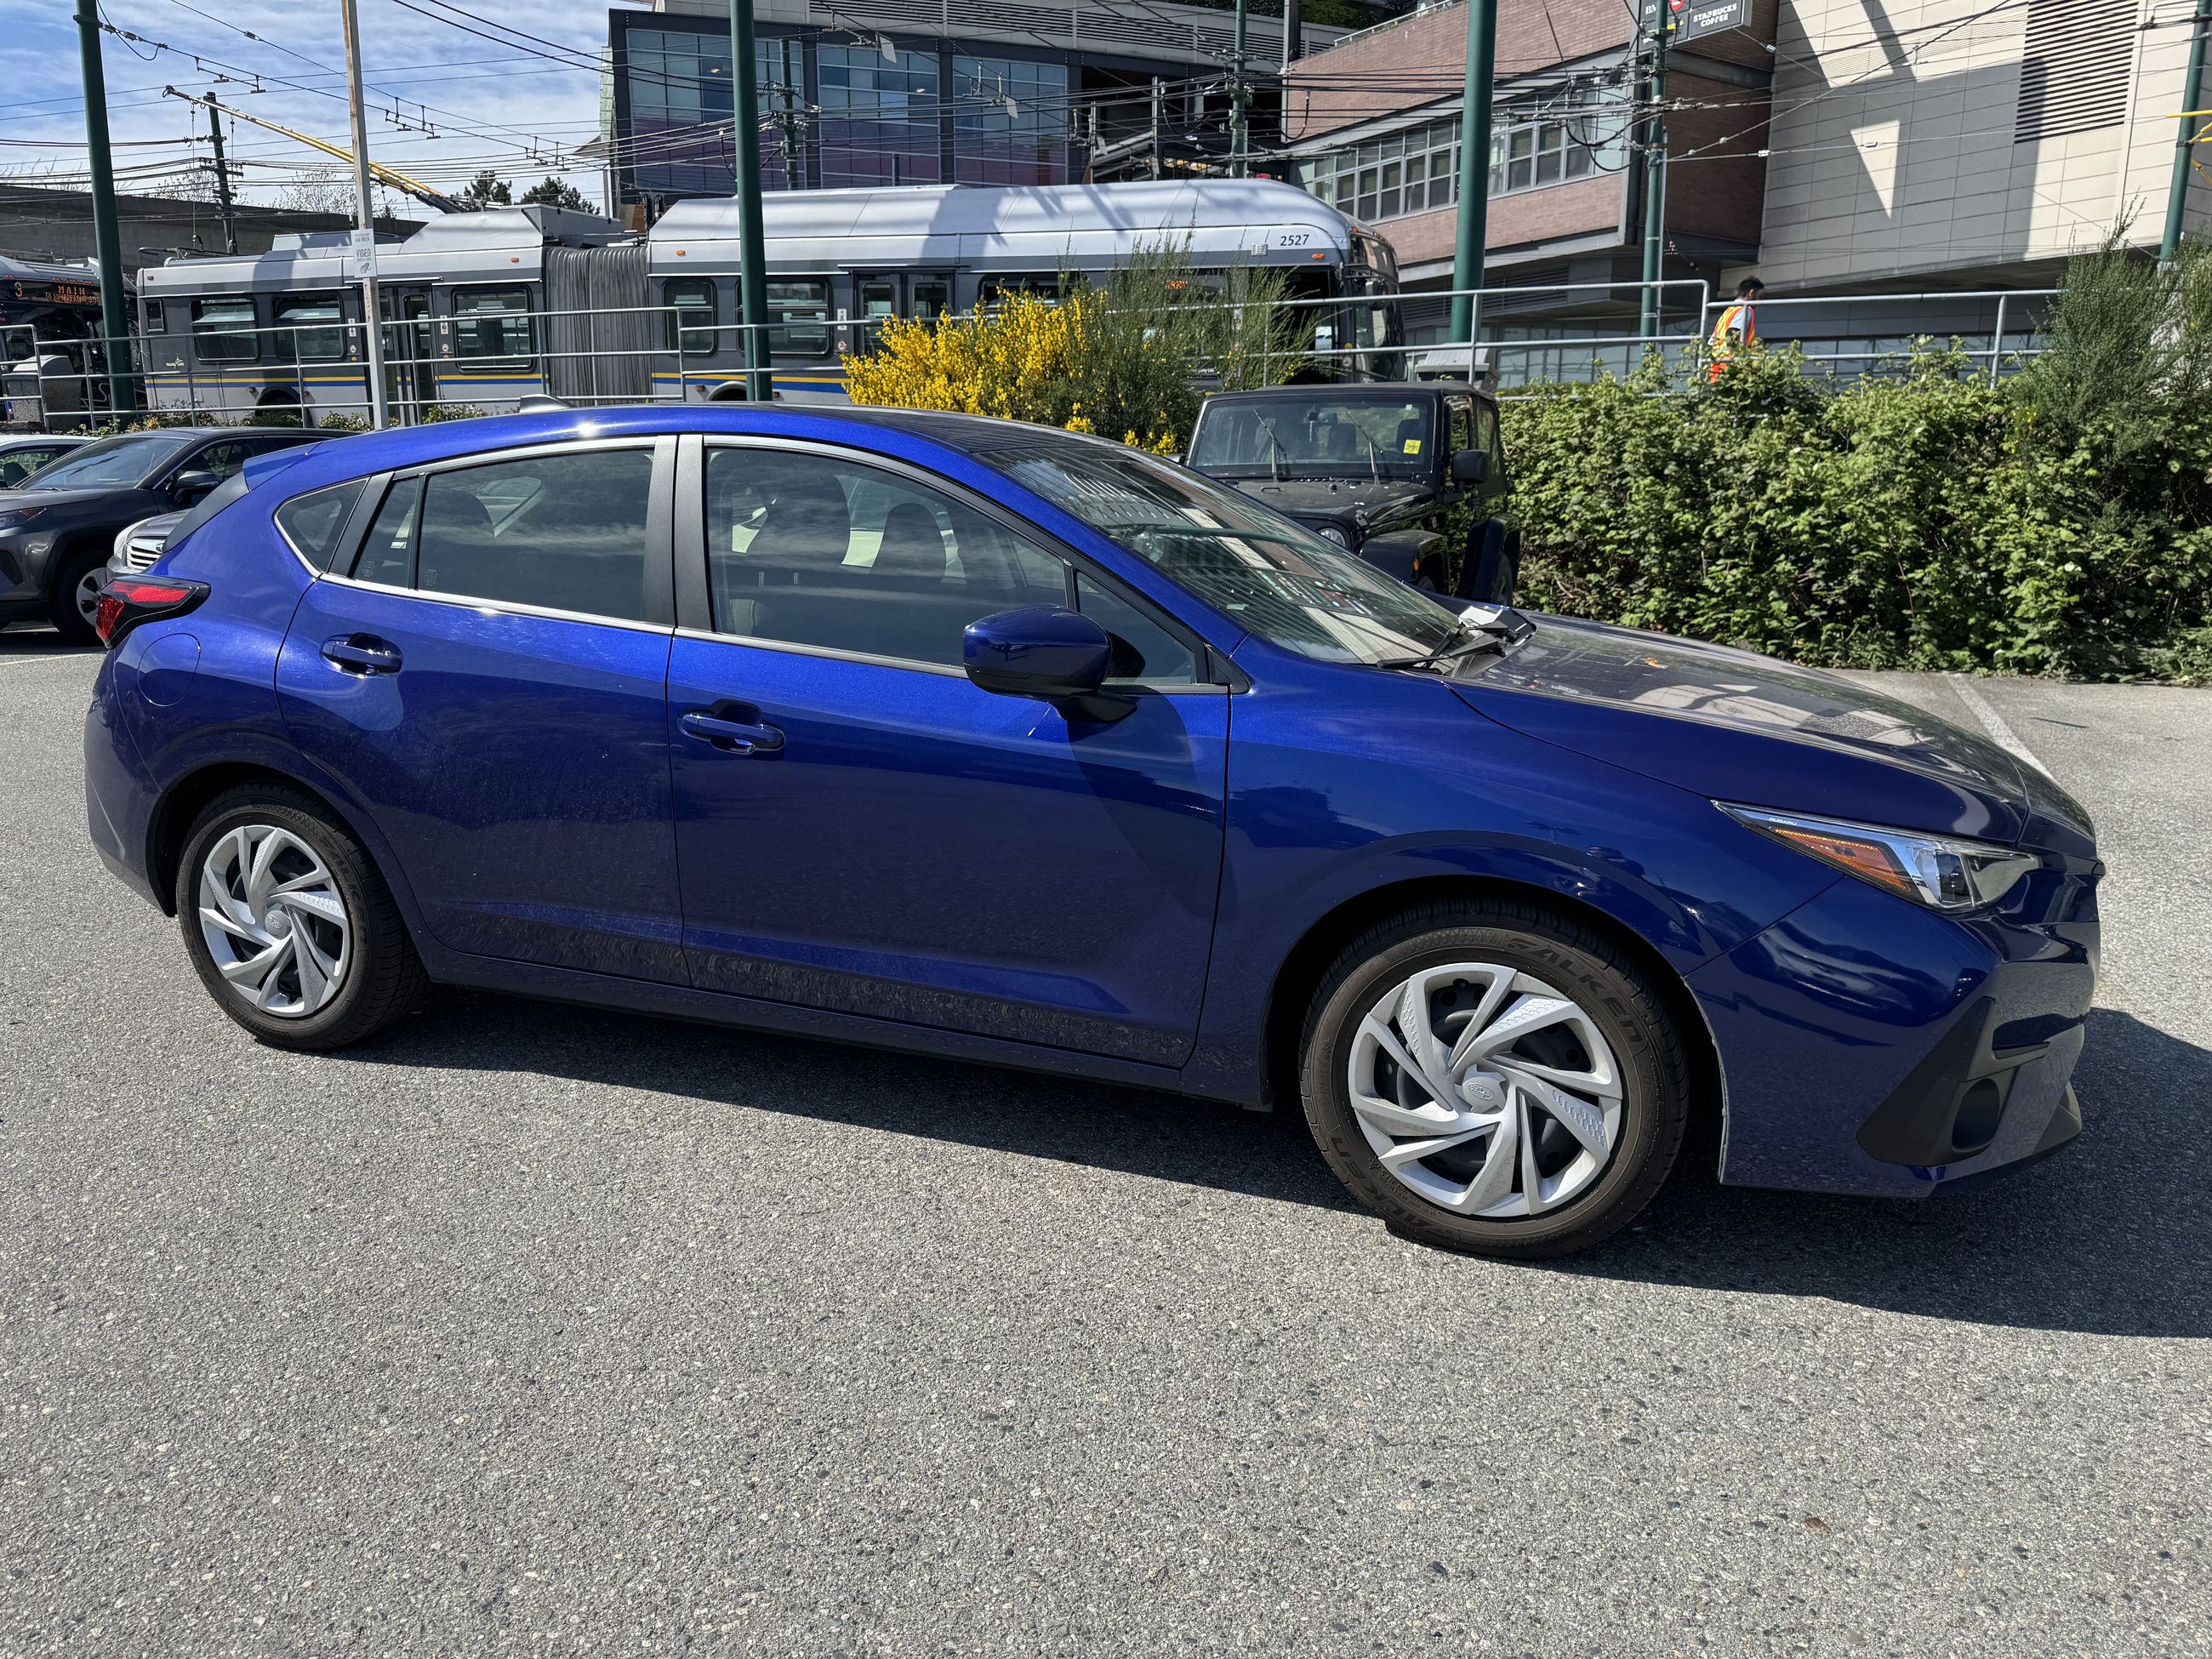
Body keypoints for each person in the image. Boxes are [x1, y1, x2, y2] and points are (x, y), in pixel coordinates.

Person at [1708, 277, 1764, 381]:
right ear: (1751, 293)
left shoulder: (1728, 312)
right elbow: (1732, 333)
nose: (1759, 300)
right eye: (1759, 296)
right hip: (1732, 369)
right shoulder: (1745, 309)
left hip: (1717, 367)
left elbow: (1712, 342)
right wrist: (1737, 360)